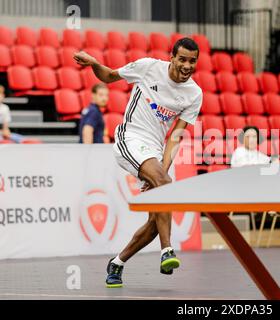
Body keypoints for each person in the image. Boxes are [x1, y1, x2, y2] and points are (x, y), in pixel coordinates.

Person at [74, 37, 202, 288]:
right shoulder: (148, 67)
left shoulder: (194, 94)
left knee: (157, 220)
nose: (187, 65)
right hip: (130, 138)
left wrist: (159, 175)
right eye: (182, 59)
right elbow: (110, 76)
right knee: (165, 187)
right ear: (172, 57)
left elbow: (176, 136)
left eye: (192, 61)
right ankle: (167, 250)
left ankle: (117, 263)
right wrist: (94, 63)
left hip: (154, 150)